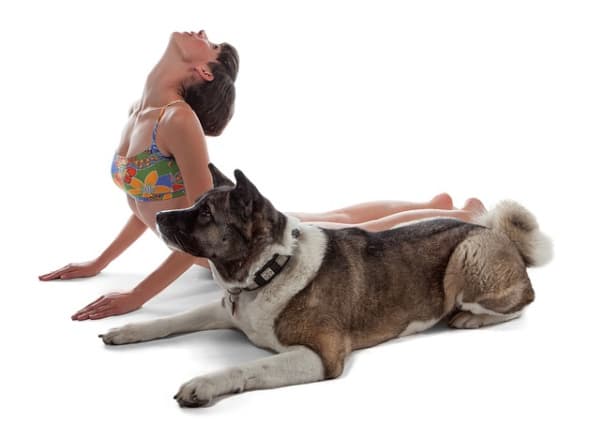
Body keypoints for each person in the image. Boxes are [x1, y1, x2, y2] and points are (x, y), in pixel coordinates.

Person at [39, 30, 486, 321]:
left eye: (209, 43)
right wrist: (100, 263)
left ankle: (461, 217)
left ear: (202, 70)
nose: (201, 34)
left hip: (244, 238)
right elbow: (147, 207)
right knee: (335, 214)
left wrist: (137, 298)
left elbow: (207, 228)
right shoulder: (140, 111)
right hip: (225, 232)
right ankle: (438, 204)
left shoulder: (177, 121)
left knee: (353, 230)